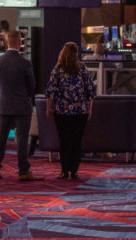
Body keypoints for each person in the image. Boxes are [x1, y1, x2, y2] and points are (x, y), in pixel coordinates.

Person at [0, 30, 43, 181]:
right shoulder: (25, 63)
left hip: (4, 103)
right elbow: (31, 85)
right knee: (21, 138)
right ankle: (23, 171)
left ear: (7, 42)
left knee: (1, 137)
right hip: (21, 104)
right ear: (20, 43)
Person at [45, 42, 96, 180]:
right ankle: (74, 170)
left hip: (62, 111)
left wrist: (48, 108)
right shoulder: (82, 69)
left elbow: (51, 90)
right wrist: (90, 109)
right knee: (76, 140)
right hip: (81, 111)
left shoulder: (58, 69)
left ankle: (63, 170)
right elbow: (91, 90)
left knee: (64, 140)